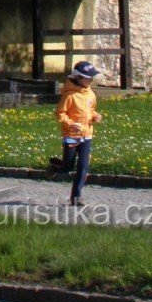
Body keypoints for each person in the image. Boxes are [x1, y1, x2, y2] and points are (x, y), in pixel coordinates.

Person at [49, 60, 102, 205]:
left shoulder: (91, 94)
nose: (91, 80)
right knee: (68, 166)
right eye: (88, 77)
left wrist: (94, 116)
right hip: (71, 136)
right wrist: (70, 124)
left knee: (83, 166)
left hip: (87, 134)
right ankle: (55, 166)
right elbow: (60, 113)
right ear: (78, 78)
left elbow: (90, 110)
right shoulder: (69, 95)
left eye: (92, 77)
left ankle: (76, 197)